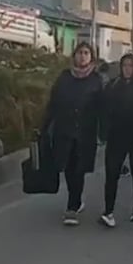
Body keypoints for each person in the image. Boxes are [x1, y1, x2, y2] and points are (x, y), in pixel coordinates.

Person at [40, 42, 105, 226]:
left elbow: (102, 107)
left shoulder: (96, 80)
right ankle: (75, 199)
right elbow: (53, 103)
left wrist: (103, 131)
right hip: (65, 130)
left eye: (86, 53)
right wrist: (44, 126)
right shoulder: (65, 77)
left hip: (85, 132)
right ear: (74, 55)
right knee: (68, 168)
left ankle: (72, 206)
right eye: (79, 53)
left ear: (91, 57)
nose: (82, 56)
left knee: (79, 169)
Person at [98, 53, 133, 227]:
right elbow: (104, 108)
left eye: (131, 65)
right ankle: (108, 212)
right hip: (116, 136)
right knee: (112, 173)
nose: (127, 69)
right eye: (124, 65)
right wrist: (105, 131)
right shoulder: (113, 86)